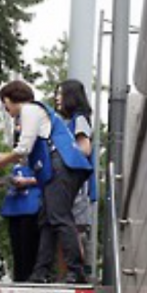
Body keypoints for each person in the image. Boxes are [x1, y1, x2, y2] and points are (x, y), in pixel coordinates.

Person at [0, 80, 92, 284]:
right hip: (62, 167)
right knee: (47, 221)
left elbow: (23, 148)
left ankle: (76, 270)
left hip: (61, 167)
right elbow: (25, 155)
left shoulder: (30, 110)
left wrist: (1, 161)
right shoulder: (35, 112)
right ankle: (40, 272)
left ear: (11, 99)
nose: (6, 110)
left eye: (5, 103)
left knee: (59, 217)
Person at [55, 80, 97, 279]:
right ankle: (69, 276)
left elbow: (84, 148)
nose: (57, 98)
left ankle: (76, 275)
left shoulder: (79, 120)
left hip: (76, 187)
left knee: (72, 231)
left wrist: (63, 155)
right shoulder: (72, 121)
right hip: (74, 185)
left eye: (60, 94)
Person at [0, 121, 42, 283]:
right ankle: (19, 278)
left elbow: (48, 176)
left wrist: (27, 181)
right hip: (14, 205)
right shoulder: (15, 159)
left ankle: (30, 278)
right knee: (16, 247)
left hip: (31, 205)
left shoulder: (39, 154)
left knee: (28, 246)